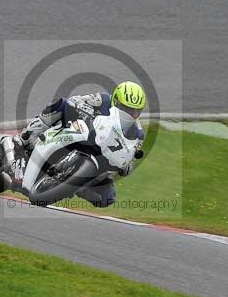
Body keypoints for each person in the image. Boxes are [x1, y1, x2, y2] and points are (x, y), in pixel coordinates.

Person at [14, 81, 146, 207]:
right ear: (116, 101)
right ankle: (25, 138)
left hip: (100, 159)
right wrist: (85, 110)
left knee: (107, 198)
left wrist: (126, 166)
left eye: (134, 111)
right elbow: (75, 100)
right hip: (80, 133)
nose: (129, 114)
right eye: (126, 109)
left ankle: (75, 186)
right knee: (61, 104)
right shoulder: (102, 99)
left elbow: (131, 156)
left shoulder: (137, 133)